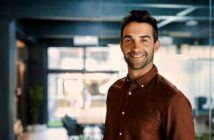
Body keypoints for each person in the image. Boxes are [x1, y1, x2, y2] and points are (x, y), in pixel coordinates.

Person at [104, 10, 195, 140]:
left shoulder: (173, 100)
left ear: (156, 46)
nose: (136, 48)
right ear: (122, 46)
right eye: (129, 40)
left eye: (144, 40)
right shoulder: (114, 91)